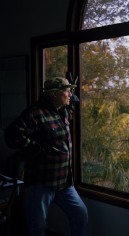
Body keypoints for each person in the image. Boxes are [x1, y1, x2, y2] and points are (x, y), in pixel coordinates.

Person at [4, 77, 88, 236]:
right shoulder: (36, 113)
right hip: (41, 184)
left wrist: (72, 89)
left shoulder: (63, 111)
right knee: (37, 227)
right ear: (54, 94)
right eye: (66, 91)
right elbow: (12, 135)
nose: (69, 94)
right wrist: (37, 150)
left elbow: (73, 103)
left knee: (80, 214)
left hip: (64, 183)